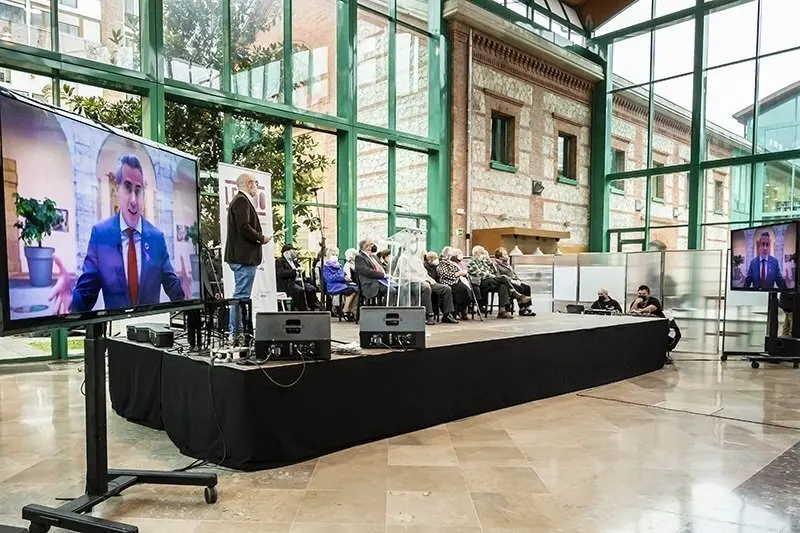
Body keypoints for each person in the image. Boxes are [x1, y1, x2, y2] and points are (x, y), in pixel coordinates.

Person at [50, 154, 190, 315]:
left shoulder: (157, 237)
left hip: (151, 331)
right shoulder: (100, 235)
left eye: (138, 190)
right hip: (114, 333)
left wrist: (184, 291)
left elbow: (172, 287)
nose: (133, 200)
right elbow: (85, 295)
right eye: (127, 187)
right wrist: (70, 301)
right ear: (117, 191)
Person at [223, 172, 272, 344]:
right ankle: (236, 333)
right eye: (256, 184)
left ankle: (238, 332)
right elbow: (244, 227)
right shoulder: (242, 201)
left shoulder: (239, 201)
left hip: (241, 257)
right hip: (243, 258)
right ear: (249, 183)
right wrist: (260, 237)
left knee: (241, 296)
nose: (257, 188)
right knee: (241, 296)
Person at [395, 249, 459, 325]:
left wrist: (431, 280)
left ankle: (447, 314)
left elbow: (424, 273)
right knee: (426, 287)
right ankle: (429, 315)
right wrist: (422, 280)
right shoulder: (403, 259)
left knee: (446, 288)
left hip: (424, 280)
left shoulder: (416, 259)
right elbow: (406, 275)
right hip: (410, 283)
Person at [467, 246, 531, 319]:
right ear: (476, 253)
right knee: (503, 278)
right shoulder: (471, 262)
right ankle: (517, 296)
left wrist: (490, 263)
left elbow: (493, 271)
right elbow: (481, 274)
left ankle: (502, 311)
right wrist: (493, 276)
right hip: (481, 282)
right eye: (482, 253)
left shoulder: (484, 262)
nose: (484, 255)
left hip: (491, 280)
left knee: (502, 285)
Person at [275, 244, 319, 311]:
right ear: (287, 252)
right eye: (293, 251)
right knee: (299, 290)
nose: (295, 253)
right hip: (288, 283)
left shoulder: (295, 263)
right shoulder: (279, 261)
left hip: (299, 281)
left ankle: (313, 308)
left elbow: (300, 273)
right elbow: (281, 273)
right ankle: (302, 309)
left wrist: (302, 271)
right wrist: (294, 271)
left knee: (311, 289)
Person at [493, 247, 535, 316]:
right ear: (500, 257)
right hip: (508, 282)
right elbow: (498, 275)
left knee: (527, 287)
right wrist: (511, 280)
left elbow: (513, 273)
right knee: (519, 288)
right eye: (505, 254)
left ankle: (527, 308)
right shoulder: (496, 264)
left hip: (514, 280)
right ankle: (522, 309)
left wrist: (518, 279)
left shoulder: (507, 264)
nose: (507, 256)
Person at [437, 248, 475, 320]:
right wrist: (459, 273)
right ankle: (456, 312)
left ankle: (462, 309)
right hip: (448, 281)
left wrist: (464, 273)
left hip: (457, 280)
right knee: (460, 289)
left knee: (467, 289)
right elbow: (445, 274)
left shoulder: (452, 263)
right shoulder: (442, 263)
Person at [322, 246, 358, 321]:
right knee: (352, 290)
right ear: (328, 255)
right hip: (333, 286)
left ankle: (352, 310)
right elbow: (329, 279)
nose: (335, 256)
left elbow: (343, 274)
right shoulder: (326, 266)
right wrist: (342, 277)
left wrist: (346, 277)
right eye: (333, 254)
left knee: (357, 289)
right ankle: (346, 310)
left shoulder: (339, 265)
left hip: (341, 284)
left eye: (336, 255)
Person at [354, 238, 391, 304]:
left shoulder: (374, 257)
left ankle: (394, 308)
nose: (374, 246)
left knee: (401, 288)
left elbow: (382, 268)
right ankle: (384, 311)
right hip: (370, 284)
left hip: (382, 281)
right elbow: (366, 271)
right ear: (367, 247)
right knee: (391, 290)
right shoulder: (359, 257)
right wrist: (383, 275)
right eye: (372, 244)